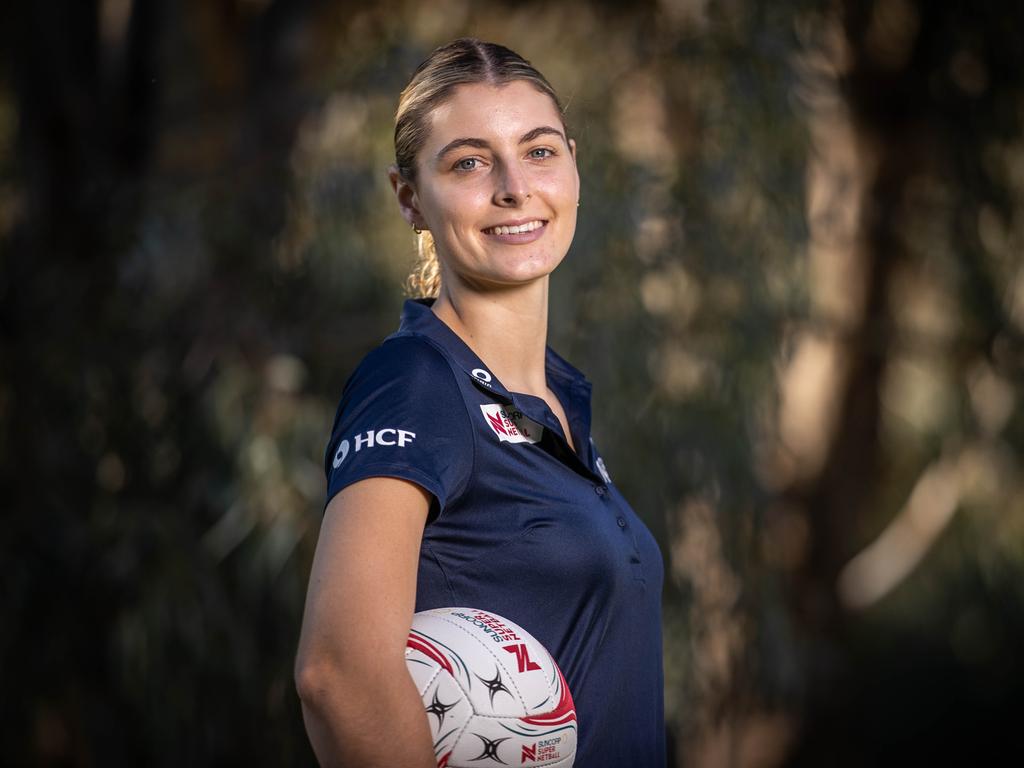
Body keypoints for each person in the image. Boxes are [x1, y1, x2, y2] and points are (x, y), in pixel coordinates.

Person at [295, 38, 665, 768]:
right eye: (468, 162)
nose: (514, 187)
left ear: (574, 165)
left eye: (538, 151)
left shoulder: (558, 403)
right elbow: (338, 674)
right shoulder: (418, 381)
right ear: (411, 199)